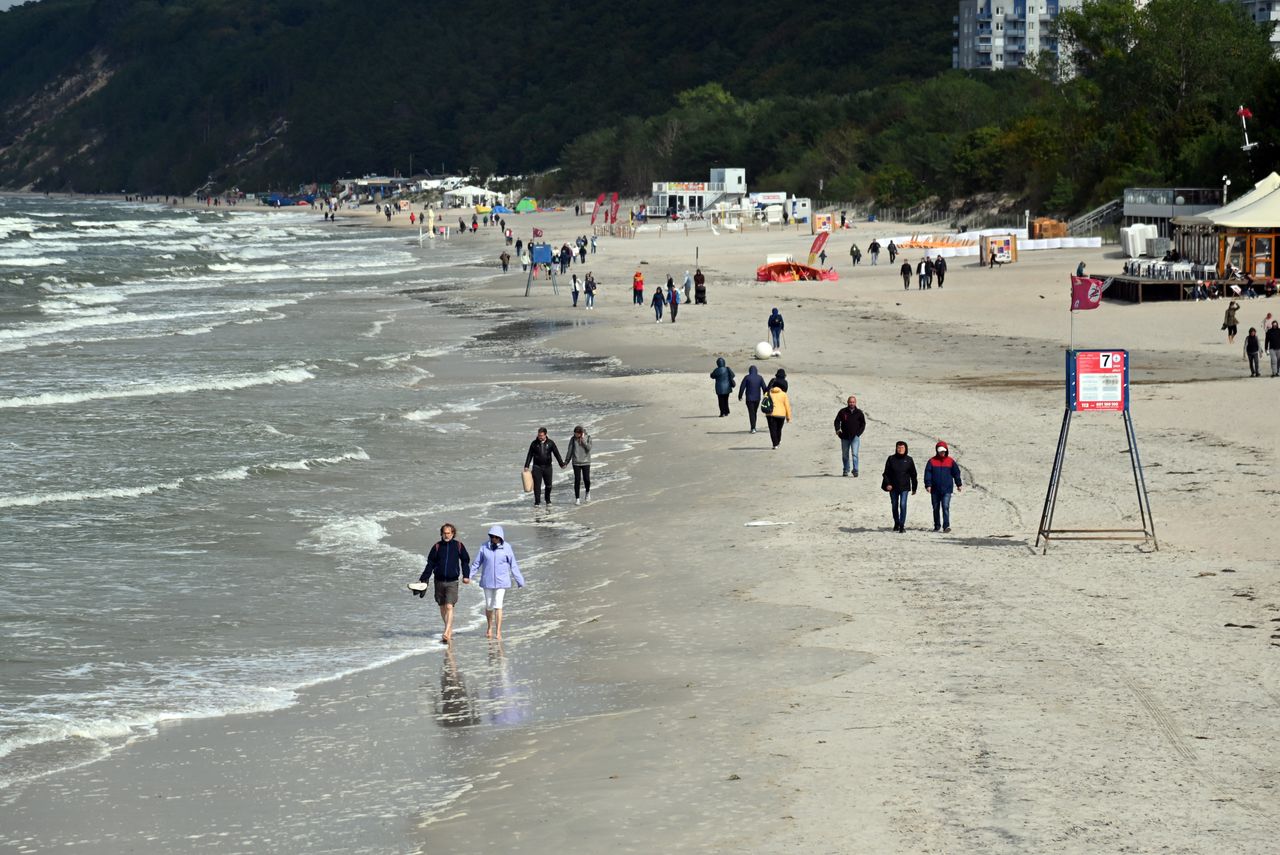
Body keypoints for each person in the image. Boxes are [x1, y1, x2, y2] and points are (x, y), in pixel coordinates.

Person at [417, 523, 471, 643]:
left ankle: (446, 631)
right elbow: (430, 564)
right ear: (441, 533)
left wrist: (466, 576)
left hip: (452, 581)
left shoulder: (458, 546)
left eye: (449, 533)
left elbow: (465, 561)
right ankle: (448, 628)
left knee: (449, 606)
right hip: (439, 581)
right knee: (442, 607)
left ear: (453, 533)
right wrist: (423, 579)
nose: (446, 535)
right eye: (444, 533)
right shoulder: (436, 547)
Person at [469, 526, 524, 640]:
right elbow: (477, 563)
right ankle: (489, 627)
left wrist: (519, 580)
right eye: (491, 536)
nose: (493, 538)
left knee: (498, 605)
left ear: (500, 537)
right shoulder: (484, 547)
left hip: (502, 582)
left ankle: (498, 631)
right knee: (489, 605)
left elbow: (513, 565)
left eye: (496, 537)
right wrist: (469, 576)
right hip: (487, 581)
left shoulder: (507, 548)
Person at [924, 441, 963, 532]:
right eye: (940, 451)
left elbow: (956, 473)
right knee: (936, 508)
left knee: (945, 506)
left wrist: (959, 484)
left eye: (944, 451)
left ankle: (946, 526)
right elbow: (927, 474)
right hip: (935, 490)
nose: (942, 453)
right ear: (937, 451)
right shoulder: (931, 461)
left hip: (947, 489)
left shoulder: (950, 461)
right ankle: (937, 525)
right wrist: (928, 485)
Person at [881, 441, 917, 533]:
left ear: (906, 449)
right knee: (894, 505)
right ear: (896, 448)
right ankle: (896, 523)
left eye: (902, 448)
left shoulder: (909, 460)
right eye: (898, 448)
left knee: (903, 505)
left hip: (904, 487)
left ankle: (901, 525)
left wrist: (914, 487)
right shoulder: (891, 459)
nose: (900, 449)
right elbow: (886, 473)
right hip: (893, 487)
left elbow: (913, 474)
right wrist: (888, 484)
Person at [523, 427, 565, 506]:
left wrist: (561, 464)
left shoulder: (550, 443)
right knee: (537, 486)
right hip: (537, 467)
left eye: (541, 435)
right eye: (539, 435)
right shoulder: (534, 443)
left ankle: (547, 500)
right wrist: (526, 466)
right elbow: (529, 455)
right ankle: (537, 502)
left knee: (549, 485)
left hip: (548, 467)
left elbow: (556, 454)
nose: (540, 437)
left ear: (545, 435)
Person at [833, 395, 866, 477]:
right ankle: (846, 469)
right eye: (850, 402)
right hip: (844, 437)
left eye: (853, 402)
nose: (852, 403)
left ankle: (855, 470)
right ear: (848, 402)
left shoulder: (859, 413)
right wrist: (838, 430)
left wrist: (858, 434)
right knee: (845, 454)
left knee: (855, 454)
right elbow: (837, 421)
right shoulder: (842, 411)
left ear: (855, 403)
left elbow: (863, 424)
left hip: (855, 437)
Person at [561, 425, 592, 504]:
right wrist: (566, 462)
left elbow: (588, 448)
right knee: (577, 480)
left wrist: (583, 441)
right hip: (576, 462)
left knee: (587, 479)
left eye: (577, 434)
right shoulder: (573, 439)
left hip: (586, 462)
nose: (575, 435)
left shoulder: (588, 437)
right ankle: (577, 499)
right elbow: (570, 450)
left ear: (581, 433)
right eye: (574, 433)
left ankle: (587, 492)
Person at [762, 378, 792, 450]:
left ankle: (775, 444)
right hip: (781, 415)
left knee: (772, 429)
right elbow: (787, 406)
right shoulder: (783, 394)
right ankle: (778, 441)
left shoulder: (768, 393)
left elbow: (764, 402)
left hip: (770, 414)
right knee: (779, 429)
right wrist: (788, 417)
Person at [738, 364, 766, 433]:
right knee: (754, 412)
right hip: (757, 399)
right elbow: (764, 387)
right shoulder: (760, 377)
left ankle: (753, 428)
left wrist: (740, 396)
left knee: (751, 413)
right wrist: (766, 395)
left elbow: (742, 387)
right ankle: (754, 427)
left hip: (749, 399)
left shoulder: (747, 377)